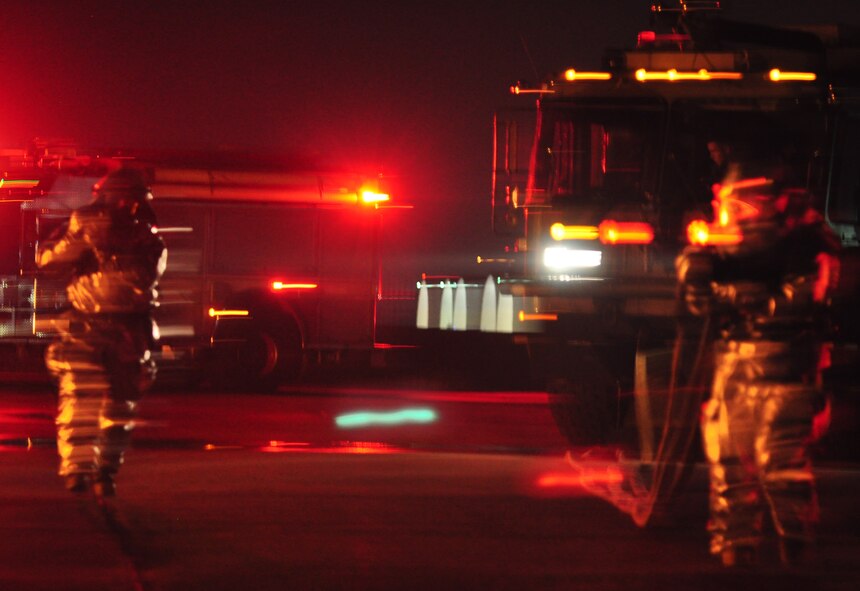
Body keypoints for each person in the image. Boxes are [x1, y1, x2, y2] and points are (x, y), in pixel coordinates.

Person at [676, 173, 839, 567]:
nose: (728, 218)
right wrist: (696, 273)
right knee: (727, 456)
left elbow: (800, 298)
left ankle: (796, 548)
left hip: (787, 361)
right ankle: (735, 547)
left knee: (781, 462)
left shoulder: (806, 242)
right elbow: (700, 303)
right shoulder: (728, 252)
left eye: (737, 208)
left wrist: (736, 296)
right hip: (734, 361)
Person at [38, 167, 167, 497]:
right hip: (126, 330)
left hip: (96, 327)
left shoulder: (92, 223)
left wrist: (60, 242)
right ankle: (100, 472)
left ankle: (83, 471)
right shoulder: (149, 236)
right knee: (113, 405)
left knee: (87, 400)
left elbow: (50, 260)